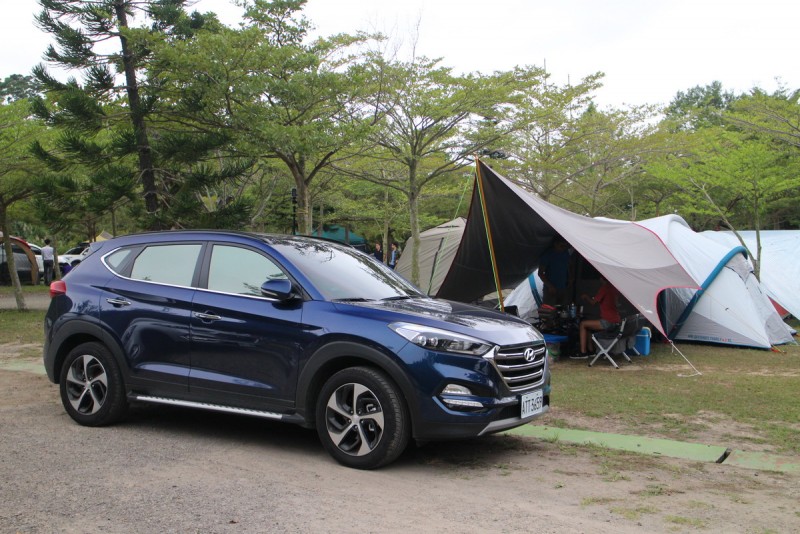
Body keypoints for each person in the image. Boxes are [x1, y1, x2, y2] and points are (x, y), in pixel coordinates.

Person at [574, 275, 621, 358]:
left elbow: (593, 302)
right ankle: (591, 350)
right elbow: (616, 303)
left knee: (582, 324)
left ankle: (583, 352)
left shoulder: (604, 288)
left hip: (608, 322)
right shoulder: (614, 288)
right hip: (616, 321)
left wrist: (585, 296)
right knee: (588, 326)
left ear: (602, 279)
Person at [538, 238, 571, 306]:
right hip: (551, 289)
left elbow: (570, 264)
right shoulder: (548, 255)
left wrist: (571, 276)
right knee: (549, 311)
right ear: (555, 244)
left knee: (563, 311)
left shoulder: (565, 253)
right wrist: (550, 286)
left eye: (565, 246)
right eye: (561, 246)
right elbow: (540, 273)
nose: (563, 248)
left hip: (563, 288)